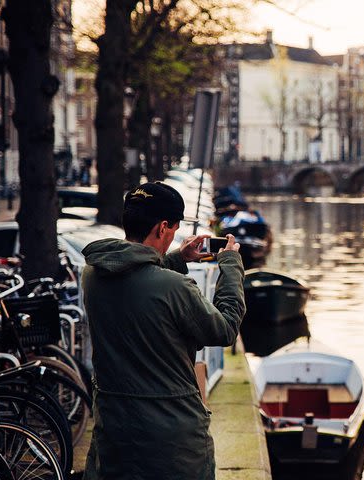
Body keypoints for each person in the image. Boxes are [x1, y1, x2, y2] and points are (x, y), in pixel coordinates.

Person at [80, 181, 246, 480]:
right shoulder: (175, 287)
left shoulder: (93, 274)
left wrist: (176, 259)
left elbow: (137, 285)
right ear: (162, 228)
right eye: (172, 232)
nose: (171, 239)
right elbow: (223, 330)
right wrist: (231, 267)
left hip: (114, 431)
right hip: (172, 443)